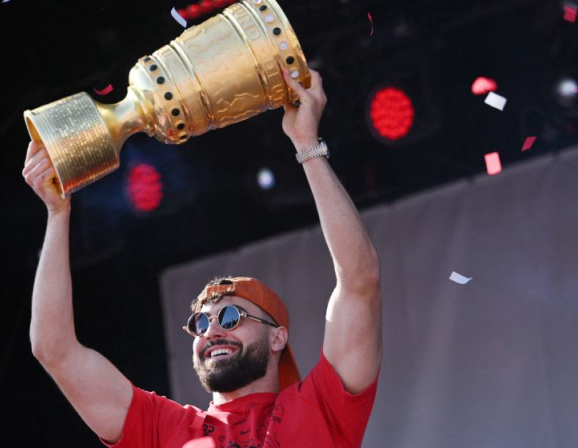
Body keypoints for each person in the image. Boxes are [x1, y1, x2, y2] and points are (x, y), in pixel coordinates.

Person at [22, 69, 382, 448]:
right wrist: (58, 213)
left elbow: (360, 281)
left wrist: (307, 146)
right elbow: (53, 348)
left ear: (278, 337)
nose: (210, 331)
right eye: (200, 322)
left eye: (230, 316)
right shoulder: (161, 427)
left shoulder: (321, 407)